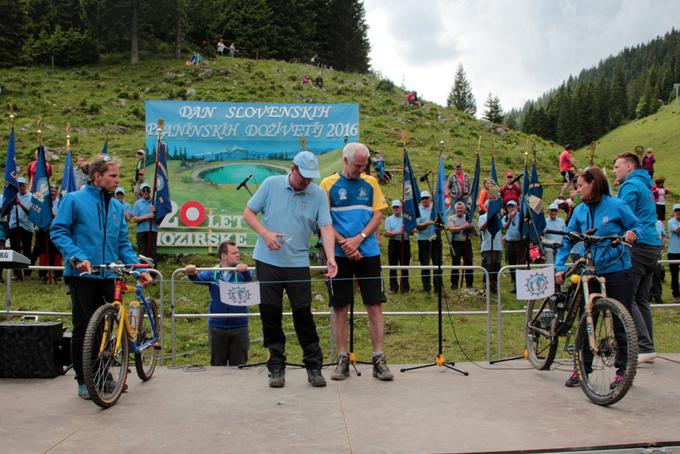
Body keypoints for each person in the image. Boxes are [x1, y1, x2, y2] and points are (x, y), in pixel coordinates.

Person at [50, 154, 152, 400]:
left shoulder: (117, 207)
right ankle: (84, 380)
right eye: (113, 176)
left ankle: (104, 374)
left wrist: (138, 269)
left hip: (109, 274)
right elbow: (58, 231)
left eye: (117, 176)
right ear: (97, 176)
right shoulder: (74, 200)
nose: (117, 180)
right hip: (83, 273)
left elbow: (123, 245)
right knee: (85, 329)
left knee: (107, 328)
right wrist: (77, 257)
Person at [243, 151, 337, 388]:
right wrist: (265, 235)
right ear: (292, 169)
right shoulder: (271, 184)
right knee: (270, 314)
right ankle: (276, 366)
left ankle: (314, 366)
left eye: (310, 178)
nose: (306, 182)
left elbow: (326, 226)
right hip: (267, 261)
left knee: (303, 314)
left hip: (297, 263)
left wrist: (331, 258)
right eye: (303, 176)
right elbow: (249, 212)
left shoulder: (317, 194)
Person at [555, 166, 641, 388]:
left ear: (593, 184)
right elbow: (568, 239)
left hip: (618, 269)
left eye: (581, 186)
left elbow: (637, 225)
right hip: (591, 271)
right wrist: (559, 266)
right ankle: (582, 367)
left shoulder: (616, 205)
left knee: (622, 320)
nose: (578, 190)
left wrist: (633, 234)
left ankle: (624, 371)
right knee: (587, 318)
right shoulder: (580, 211)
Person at [319, 142, 394, 381]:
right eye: (357, 165)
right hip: (340, 255)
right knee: (340, 307)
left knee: (374, 306)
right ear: (344, 161)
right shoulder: (328, 184)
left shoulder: (370, 183)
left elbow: (378, 215)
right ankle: (342, 358)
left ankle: (379, 358)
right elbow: (325, 221)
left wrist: (359, 239)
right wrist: (345, 243)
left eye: (364, 165)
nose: (361, 170)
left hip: (368, 252)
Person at [613, 152, 662, 363]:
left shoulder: (630, 186)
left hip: (638, 246)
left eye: (617, 167)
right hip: (653, 245)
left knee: (627, 297)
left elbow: (622, 215)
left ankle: (643, 346)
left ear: (629, 168)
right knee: (642, 298)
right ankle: (647, 346)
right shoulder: (645, 185)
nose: (614, 171)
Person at [185, 241, 253, 366]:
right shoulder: (213, 272)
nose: (238, 255)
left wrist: (245, 271)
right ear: (223, 256)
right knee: (217, 366)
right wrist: (191, 273)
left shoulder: (242, 271)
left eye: (238, 252)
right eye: (234, 253)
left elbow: (250, 278)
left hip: (240, 326)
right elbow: (198, 279)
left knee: (240, 368)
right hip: (217, 326)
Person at [36, 186, 63, 284]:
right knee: (43, 254)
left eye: (54, 190)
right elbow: (38, 214)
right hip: (44, 230)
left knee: (57, 254)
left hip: (56, 231)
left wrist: (53, 215)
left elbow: (63, 216)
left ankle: (58, 276)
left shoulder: (61, 202)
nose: (52, 192)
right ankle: (43, 275)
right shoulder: (43, 202)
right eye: (51, 190)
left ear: (57, 192)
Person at [416, 191, 441, 293]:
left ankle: (438, 288)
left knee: (437, 264)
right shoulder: (417, 210)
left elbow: (442, 224)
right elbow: (418, 226)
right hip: (423, 240)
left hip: (436, 239)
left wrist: (438, 223)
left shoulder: (436, 209)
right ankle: (426, 288)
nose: (425, 200)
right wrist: (429, 223)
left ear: (430, 199)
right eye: (423, 198)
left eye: (427, 198)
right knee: (425, 264)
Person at [9, 177, 33, 281]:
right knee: (15, 250)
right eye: (19, 185)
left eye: (22, 185)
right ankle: (17, 273)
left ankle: (27, 272)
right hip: (14, 226)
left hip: (26, 226)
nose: (21, 187)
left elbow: (31, 213)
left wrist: (20, 204)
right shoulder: (13, 196)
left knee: (27, 250)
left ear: (26, 185)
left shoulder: (31, 197)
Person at [385, 199, 411, 293]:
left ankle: (405, 287)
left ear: (401, 208)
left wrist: (409, 230)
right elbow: (388, 233)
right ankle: (393, 288)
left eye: (397, 207)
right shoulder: (388, 219)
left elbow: (412, 231)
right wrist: (399, 233)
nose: (396, 208)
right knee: (393, 266)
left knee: (405, 266)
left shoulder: (406, 218)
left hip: (405, 243)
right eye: (394, 207)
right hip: (393, 244)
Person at [446, 201, 474, 290]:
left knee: (469, 263)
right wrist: (464, 226)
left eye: (461, 208)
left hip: (467, 243)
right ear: (455, 209)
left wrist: (471, 226)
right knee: (455, 264)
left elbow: (475, 233)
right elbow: (452, 229)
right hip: (456, 243)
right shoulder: (450, 218)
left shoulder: (468, 218)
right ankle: (454, 285)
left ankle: (469, 284)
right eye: (458, 208)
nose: (459, 209)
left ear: (464, 209)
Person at [501, 199, 526, 292]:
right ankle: (515, 284)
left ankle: (522, 284)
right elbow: (504, 227)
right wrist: (510, 218)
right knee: (511, 264)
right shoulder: (505, 218)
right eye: (509, 206)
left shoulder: (522, 216)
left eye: (513, 206)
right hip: (509, 243)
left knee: (520, 264)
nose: (511, 208)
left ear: (517, 207)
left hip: (520, 243)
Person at [478, 201, 502, 291]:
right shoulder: (482, 217)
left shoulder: (499, 217)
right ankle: (486, 283)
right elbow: (481, 228)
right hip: (487, 246)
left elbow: (503, 227)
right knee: (488, 265)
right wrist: (489, 220)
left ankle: (495, 284)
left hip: (498, 246)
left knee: (497, 265)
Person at [132, 182, 158, 264]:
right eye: (144, 190)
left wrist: (155, 212)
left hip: (152, 230)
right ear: (141, 192)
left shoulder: (154, 202)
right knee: (142, 253)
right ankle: (143, 271)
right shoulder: (137, 203)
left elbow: (159, 218)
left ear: (150, 191)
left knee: (152, 252)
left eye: (147, 190)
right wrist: (147, 216)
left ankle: (153, 273)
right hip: (141, 231)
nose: (146, 192)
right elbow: (135, 219)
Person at [667, 204, 680, 302]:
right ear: (674, 211)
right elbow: (676, 230)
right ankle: (676, 294)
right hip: (673, 251)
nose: (678, 212)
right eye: (677, 210)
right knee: (674, 274)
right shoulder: (671, 222)